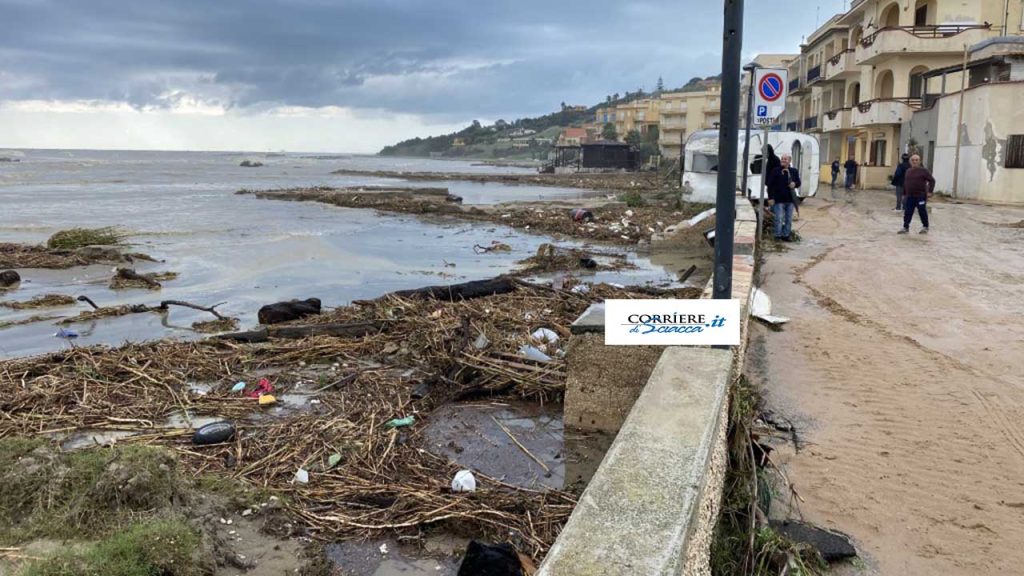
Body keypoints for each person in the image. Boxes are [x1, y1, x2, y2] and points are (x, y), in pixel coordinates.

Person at [898, 153, 935, 234]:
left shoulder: (924, 171)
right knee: (908, 212)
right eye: (913, 160)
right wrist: (904, 194)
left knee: (922, 211)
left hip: (920, 196)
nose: (914, 161)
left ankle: (925, 226)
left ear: (919, 161)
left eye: (916, 160)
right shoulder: (908, 171)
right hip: (909, 196)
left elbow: (932, 180)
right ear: (910, 161)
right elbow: (906, 183)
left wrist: (930, 191)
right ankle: (905, 227)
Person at [767, 153, 801, 241]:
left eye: (785, 159)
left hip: (790, 200)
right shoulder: (775, 171)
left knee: (788, 219)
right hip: (778, 200)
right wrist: (770, 198)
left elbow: (798, 182)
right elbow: (770, 185)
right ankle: (777, 236)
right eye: (782, 158)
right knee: (778, 218)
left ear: (789, 161)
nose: (783, 160)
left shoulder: (794, 171)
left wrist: (795, 184)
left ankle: (786, 235)